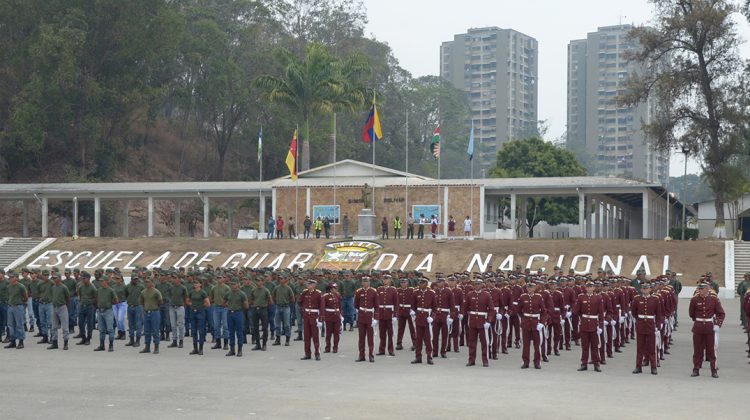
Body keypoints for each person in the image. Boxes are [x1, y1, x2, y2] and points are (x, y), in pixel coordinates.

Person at [688, 282, 725, 378]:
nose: (699, 290)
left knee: (711, 350)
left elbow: (721, 313)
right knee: (697, 350)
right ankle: (696, 369)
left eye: (702, 289)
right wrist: (699, 320)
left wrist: (717, 324)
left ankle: (713, 370)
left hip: (709, 327)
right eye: (699, 289)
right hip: (698, 327)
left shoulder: (714, 300)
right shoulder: (694, 300)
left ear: (707, 289)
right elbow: (691, 314)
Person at [631, 282, 663, 375]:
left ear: (650, 289)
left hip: (650, 325)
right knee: (640, 347)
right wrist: (639, 319)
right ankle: (638, 366)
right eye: (643, 288)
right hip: (641, 324)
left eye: (647, 288)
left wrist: (658, 325)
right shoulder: (637, 299)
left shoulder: (655, 299)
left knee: (652, 347)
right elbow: (634, 312)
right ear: (641, 290)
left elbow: (658, 313)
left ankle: (653, 367)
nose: (645, 290)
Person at [515, 281, 547, 369]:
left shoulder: (538, 297)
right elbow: (518, 310)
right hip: (526, 323)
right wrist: (523, 318)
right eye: (528, 287)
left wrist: (542, 322)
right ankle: (525, 362)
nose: (530, 289)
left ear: (535, 288)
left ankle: (537, 362)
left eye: (531, 287)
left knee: (537, 344)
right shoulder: (523, 297)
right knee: (526, 344)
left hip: (536, 323)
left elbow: (544, 311)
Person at [573, 281, 604, 371]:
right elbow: (577, 311)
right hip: (584, 323)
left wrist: (601, 326)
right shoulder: (581, 297)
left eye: (591, 286)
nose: (589, 288)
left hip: (594, 324)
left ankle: (596, 364)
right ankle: (584, 363)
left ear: (594, 288)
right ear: (585, 288)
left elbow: (601, 313)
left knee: (595, 346)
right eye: (588, 287)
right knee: (585, 346)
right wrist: (581, 318)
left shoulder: (598, 297)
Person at [463, 279, 494, 367]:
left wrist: (488, 321)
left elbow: (491, 309)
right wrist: (467, 315)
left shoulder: (486, 295)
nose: (476, 285)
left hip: (482, 321)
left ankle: (485, 360)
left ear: (482, 285)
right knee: (472, 341)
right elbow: (465, 307)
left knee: (484, 342)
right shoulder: (470, 294)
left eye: (478, 284)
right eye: (475, 284)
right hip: (473, 320)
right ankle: (471, 360)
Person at [410, 278, 436, 365]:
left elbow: (434, 308)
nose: (420, 284)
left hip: (427, 317)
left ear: (426, 284)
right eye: (420, 283)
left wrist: (432, 317)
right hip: (419, 318)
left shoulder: (431, 293)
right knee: (418, 339)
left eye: (422, 283)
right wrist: (412, 312)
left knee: (428, 339)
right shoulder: (415, 293)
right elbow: (413, 305)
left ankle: (429, 357)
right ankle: (418, 357)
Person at [354, 276, 379, 362]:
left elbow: (376, 306)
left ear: (369, 283)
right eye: (363, 281)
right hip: (361, 316)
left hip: (370, 316)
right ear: (362, 283)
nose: (365, 283)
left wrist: (375, 318)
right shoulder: (358, 292)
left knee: (370, 338)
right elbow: (356, 304)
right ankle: (361, 355)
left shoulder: (373, 291)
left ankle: (371, 355)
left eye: (366, 281)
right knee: (361, 337)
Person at [298, 279, 324, 360]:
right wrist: (303, 309)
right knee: (306, 336)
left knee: (316, 336)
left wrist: (320, 319)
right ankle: (307, 353)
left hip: (314, 316)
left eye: (310, 284)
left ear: (314, 285)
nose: (308, 285)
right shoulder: (305, 292)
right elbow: (299, 301)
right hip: (306, 316)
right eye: (308, 284)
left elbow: (322, 306)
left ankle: (317, 353)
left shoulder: (318, 293)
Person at [94, 277, 119, 352]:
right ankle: (102, 345)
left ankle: (111, 345)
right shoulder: (99, 290)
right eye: (100, 281)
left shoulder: (111, 290)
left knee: (110, 329)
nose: (101, 282)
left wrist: (109, 304)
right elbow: (97, 298)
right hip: (100, 311)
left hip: (108, 311)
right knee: (101, 330)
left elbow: (116, 300)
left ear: (106, 281)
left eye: (102, 281)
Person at [224, 280, 249, 357]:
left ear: (238, 284)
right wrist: (228, 306)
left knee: (239, 332)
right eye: (232, 284)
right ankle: (232, 349)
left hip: (238, 313)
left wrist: (240, 307)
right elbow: (224, 302)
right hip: (230, 313)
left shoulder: (242, 294)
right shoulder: (228, 293)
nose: (233, 285)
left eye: (234, 284)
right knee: (231, 332)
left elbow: (246, 305)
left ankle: (240, 350)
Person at [432, 277, 455, 359]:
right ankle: (435, 351)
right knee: (435, 335)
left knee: (445, 335)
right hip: (436, 315)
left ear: (444, 282)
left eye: (440, 282)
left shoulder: (448, 291)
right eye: (437, 282)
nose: (438, 283)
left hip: (445, 315)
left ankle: (443, 351)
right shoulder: (435, 291)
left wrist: (452, 316)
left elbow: (452, 305)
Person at [139, 279, 163, 354]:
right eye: (146, 282)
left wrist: (155, 307)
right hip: (146, 313)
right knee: (146, 331)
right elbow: (141, 301)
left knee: (155, 330)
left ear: (152, 283)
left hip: (154, 312)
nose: (147, 283)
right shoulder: (143, 292)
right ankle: (147, 347)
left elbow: (160, 301)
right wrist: (146, 307)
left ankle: (156, 347)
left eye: (148, 282)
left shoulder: (156, 291)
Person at [376, 274, 398, 356]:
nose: (385, 280)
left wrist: (395, 315)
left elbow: (396, 303)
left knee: (390, 333)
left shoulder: (393, 290)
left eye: (387, 279)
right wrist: (376, 315)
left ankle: (391, 349)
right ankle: (381, 349)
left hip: (389, 313)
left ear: (390, 280)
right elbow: (376, 303)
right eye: (384, 279)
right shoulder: (379, 289)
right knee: (382, 333)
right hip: (381, 313)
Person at [5, 273, 28, 349]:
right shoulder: (9, 287)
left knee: (19, 324)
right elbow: (9, 296)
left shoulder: (21, 286)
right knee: (11, 325)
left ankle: (21, 341)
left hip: (18, 306)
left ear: (16, 278)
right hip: (10, 306)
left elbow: (25, 297)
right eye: (10, 277)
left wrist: (22, 304)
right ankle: (13, 341)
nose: (10, 278)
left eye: (12, 277)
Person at [48, 274, 71, 350]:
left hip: (62, 307)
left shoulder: (64, 287)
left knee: (65, 327)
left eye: (55, 278)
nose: (54, 279)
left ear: (59, 278)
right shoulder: (53, 287)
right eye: (53, 278)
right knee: (54, 326)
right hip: (54, 307)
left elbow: (68, 298)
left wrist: (65, 306)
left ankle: (66, 343)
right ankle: (55, 343)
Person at [249, 277, 272, 351]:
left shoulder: (266, 290)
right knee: (255, 328)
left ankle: (264, 344)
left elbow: (270, 301)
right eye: (257, 281)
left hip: (263, 309)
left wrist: (265, 306)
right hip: (255, 309)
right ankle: (258, 344)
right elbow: (251, 299)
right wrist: (254, 304)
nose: (257, 282)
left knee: (265, 328)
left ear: (262, 282)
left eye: (259, 280)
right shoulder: (253, 290)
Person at [187, 282, 209, 355]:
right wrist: (192, 304)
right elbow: (187, 300)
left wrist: (200, 306)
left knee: (201, 330)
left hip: (200, 312)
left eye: (197, 283)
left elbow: (208, 303)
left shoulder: (203, 292)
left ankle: (201, 349)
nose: (195, 284)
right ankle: (195, 348)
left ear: (200, 284)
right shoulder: (192, 292)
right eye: (195, 283)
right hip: (193, 312)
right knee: (193, 331)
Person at [272, 275, 294, 346]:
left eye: (282, 278)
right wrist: (276, 302)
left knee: (287, 325)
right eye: (280, 279)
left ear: (285, 280)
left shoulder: (288, 288)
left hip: (286, 307)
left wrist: (287, 303)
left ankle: (287, 340)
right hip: (278, 307)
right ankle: (278, 340)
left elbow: (292, 298)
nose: (280, 280)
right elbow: (273, 296)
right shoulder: (276, 288)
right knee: (277, 325)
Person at [76, 272, 97, 346]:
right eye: (82, 278)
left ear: (88, 279)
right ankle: (83, 337)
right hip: (82, 306)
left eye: (84, 278)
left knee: (89, 323)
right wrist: (80, 300)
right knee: (80, 323)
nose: (82, 279)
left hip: (89, 307)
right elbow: (79, 294)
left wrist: (91, 303)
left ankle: (88, 338)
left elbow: (96, 297)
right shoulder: (81, 286)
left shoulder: (92, 287)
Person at [209, 277, 230, 350]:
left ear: (223, 279)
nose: (219, 279)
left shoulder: (227, 288)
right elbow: (210, 297)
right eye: (217, 278)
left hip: (224, 308)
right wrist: (213, 301)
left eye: (220, 278)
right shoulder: (214, 288)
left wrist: (226, 304)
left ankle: (226, 343)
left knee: (225, 326)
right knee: (216, 325)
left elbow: (230, 297)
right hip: (216, 307)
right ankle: (218, 343)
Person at [167, 275, 188, 349]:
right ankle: (174, 340)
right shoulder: (171, 288)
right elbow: (170, 296)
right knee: (173, 325)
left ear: (179, 279)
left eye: (175, 278)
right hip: (172, 307)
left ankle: (181, 340)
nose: (174, 279)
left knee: (181, 324)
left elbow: (185, 298)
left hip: (180, 307)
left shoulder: (183, 288)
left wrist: (183, 306)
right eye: (173, 278)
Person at [124, 276, 144, 348]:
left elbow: (143, 295)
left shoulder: (141, 286)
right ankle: (131, 340)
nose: (136, 281)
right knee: (131, 324)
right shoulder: (127, 287)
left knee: (138, 324)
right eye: (134, 279)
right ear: (131, 279)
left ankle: (137, 340)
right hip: (130, 306)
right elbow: (126, 295)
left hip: (138, 307)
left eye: (137, 279)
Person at [322, 282, 342, 353]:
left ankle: (335, 347)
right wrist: (323, 316)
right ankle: (327, 347)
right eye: (334, 288)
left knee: (336, 333)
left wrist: (341, 315)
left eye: (336, 288)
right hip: (329, 316)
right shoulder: (325, 296)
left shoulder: (338, 295)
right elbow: (323, 306)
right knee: (328, 333)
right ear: (330, 289)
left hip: (336, 316)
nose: (336, 289)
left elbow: (340, 305)